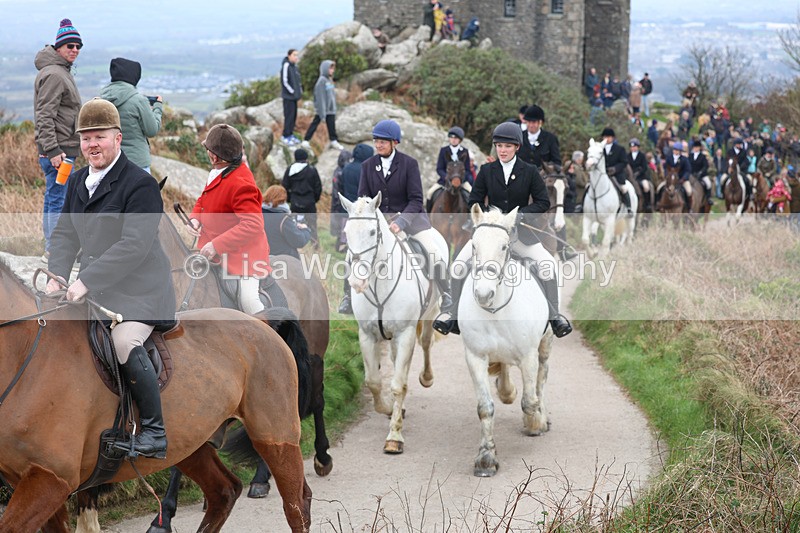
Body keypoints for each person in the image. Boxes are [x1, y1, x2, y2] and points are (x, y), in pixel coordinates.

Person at [45, 98, 175, 459]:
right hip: (97, 290)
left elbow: (133, 245)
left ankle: (153, 432)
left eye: (99, 137)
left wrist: (85, 280)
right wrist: (57, 274)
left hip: (140, 293)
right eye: (85, 139)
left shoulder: (140, 185)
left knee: (123, 343)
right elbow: (65, 234)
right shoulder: (77, 182)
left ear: (118, 138)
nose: (91, 145)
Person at [433, 122, 572, 338]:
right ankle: (452, 314)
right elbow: (475, 200)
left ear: (517, 147)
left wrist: (520, 215)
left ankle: (555, 316)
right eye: (498, 146)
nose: (502, 150)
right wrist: (486, 217)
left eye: (507, 146)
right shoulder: (487, 171)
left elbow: (543, 202)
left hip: (520, 235)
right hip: (490, 234)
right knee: (459, 265)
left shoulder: (530, 172)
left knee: (547, 265)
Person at [356, 119, 452, 315]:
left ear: (395, 143)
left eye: (383, 141)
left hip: (411, 220)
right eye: (376, 140)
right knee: (355, 253)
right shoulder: (367, 165)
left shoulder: (409, 164)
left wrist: (401, 222)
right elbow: (363, 199)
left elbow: (416, 200)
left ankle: (447, 294)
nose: (378, 145)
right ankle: (349, 297)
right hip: (379, 223)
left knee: (432, 250)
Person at [188, 124, 271, 315]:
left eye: (208, 150)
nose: (207, 153)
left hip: (243, 254)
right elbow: (204, 199)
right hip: (211, 248)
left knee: (249, 301)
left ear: (215, 156)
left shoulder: (241, 184)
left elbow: (253, 225)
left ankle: (269, 336)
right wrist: (195, 218)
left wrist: (216, 245)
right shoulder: (217, 171)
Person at [34, 18, 83, 261]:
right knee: (57, 198)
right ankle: (54, 251)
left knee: (60, 197)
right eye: (70, 46)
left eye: (78, 46)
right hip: (59, 151)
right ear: (58, 47)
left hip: (62, 149)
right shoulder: (55, 74)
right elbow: (45, 115)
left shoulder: (59, 70)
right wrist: (53, 150)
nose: (74, 50)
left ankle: (57, 248)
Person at [99, 57, 162, 174]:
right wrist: (158, 108)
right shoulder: (138, 100)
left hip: (109, 161)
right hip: (137, 163)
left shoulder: (102, 99)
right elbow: (152, 130)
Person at [337, 142, 374, 314]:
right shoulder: (368, 170)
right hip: (365, 214)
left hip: (351, 212)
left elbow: (341, 188)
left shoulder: (346, 168)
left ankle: (347, 297)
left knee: (349, 258)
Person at [282, 148, 322, 246]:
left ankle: (296, 244)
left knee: (294, 224)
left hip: (295, 201)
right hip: (309, 201)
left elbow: (284, 187)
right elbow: (318, 187)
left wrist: (289, 199)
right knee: (312, 224)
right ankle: (314, 244)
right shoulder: (312, 170)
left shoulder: (290, 169)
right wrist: (314, 199)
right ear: (306, 157)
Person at [302, 60, 343, 151]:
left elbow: (331, 95)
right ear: (325, 69)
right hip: (323, 109)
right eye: (330, 68)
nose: (332, 71)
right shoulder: (321, 81)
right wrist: (322, 112)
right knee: (315, 123)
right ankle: (306, 140)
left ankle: (333, 141)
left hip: (331, 109)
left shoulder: (329, 80)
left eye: (333, 68)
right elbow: (320, 97)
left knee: (331, 125)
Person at [428, 126, 473, 209]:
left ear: (460, 139)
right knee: (430, 193)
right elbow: (439, 168)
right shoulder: (443, 150)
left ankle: (470, 219)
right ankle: (428, 217)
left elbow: (467, 169)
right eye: (451, 137)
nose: (453, 139)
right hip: (445, 181)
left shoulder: (464, 151)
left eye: (456, 138)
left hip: (461, 181)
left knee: (472, 194)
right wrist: (446, 177)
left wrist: (460, 179)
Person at [262, 185, 312, 259]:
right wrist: (305, 230)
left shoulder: (257, 214)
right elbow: (299, 241)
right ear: (283, 199)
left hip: (261, 258)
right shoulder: (284, 219)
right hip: (283, 260)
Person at [601, 127, 634, 217]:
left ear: (613, 138)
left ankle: (629, 208)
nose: (606, 139)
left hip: (616, 174)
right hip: (602, 174)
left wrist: (615, 169)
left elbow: (624, 162)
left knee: (623, 189)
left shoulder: (620, 149)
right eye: (605, 137)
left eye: (608, 137)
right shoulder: (600, 148)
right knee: (590, 185)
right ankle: (582, 206)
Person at [518, 105, 561, 171]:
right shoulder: (519, 136)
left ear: (540, 122)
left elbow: (557, 162)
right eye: (529, 122)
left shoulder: (551, 138)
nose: (531, 125)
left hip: (542, 177)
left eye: (534, 122)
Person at [280, 49, 303, 146]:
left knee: (293, 116)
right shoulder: (286, 65)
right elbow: (284, 81)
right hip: (288, 97)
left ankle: (290, 134)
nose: (296, 57)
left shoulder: (294, 67)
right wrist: (292, 92)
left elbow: (298, 81)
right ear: (289, 55)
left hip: (294, 97)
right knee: (288, 116)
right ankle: (285, 136)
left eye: (297, 55)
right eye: (294, 55)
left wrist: (299, 92)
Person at [628, 138, 651, 211]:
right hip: (630, 177)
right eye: (631, 147)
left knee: (646, 187)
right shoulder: (627, 156)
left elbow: (645, 167)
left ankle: (648, 204)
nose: (633, 148)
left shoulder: (642, 155)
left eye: (634, 146)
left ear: (638, 147)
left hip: (641, 177)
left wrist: (638, 173)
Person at [688, 139, 712, 206]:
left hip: (701, 175)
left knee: (708, 184)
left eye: (697, 147)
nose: (696, 148)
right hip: (692, 175)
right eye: (695, 147)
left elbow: (705, 166)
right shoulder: (690, 156)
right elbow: (688, 165)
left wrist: (700, 172)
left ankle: (708, 199)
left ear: (699, 148)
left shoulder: (703, 156)